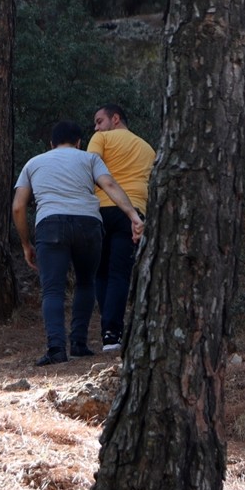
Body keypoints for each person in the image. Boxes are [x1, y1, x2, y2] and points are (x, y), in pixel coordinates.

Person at [13, 121, 145, 366]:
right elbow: (109, 185)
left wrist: (25, 243)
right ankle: (79, 344)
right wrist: (133, 215)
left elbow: (18, 206)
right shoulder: (89, 159)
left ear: (51, 144)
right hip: (88, 224)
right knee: (86, 282)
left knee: (52, 290)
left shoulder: (33, 163)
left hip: (50, 225)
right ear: (79, 142)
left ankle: (56, 349)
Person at [88, 103, 156, 351]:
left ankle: (108, 330)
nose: (96, 128)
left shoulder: (101, 139)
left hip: (100, 209)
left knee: (100, 272)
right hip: (133, 212)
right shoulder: (148, 149)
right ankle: (111, 334)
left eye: (99, 121)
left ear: (115, 118)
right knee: (119, 273)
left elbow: (89, 168)